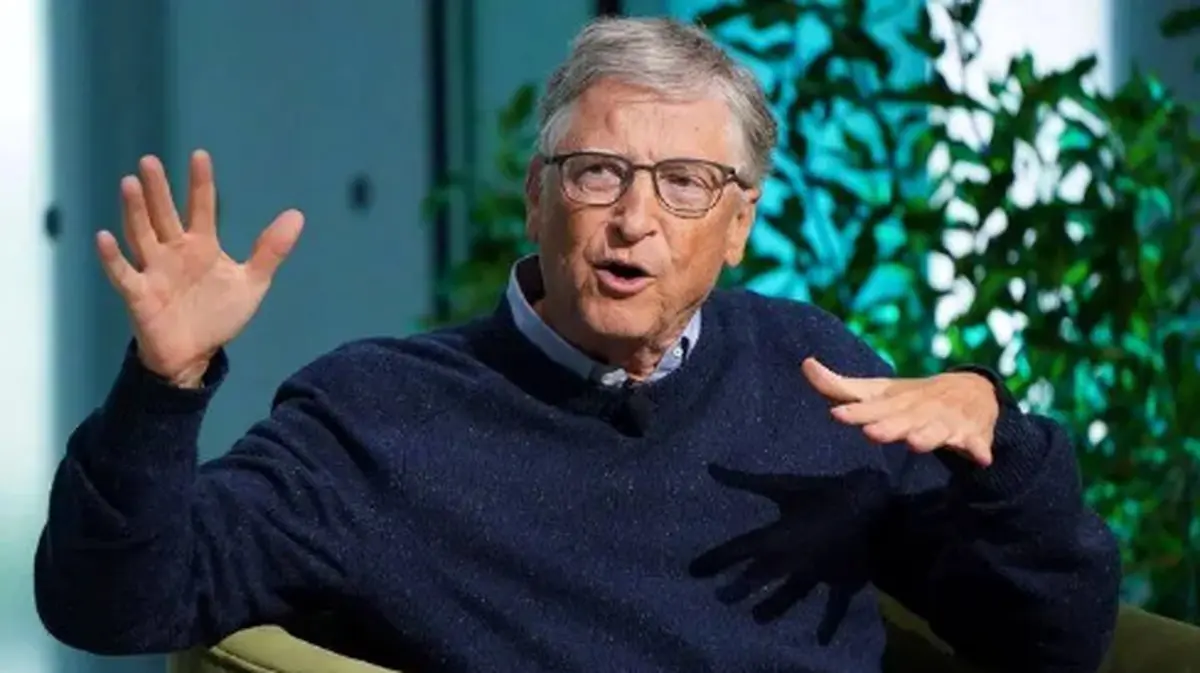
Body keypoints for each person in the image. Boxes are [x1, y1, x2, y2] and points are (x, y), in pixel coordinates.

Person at [36, 16, 1120, 673]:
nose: (634, 220)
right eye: (599, 173)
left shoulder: (813, 373)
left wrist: (1006, 448)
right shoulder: (379, 417)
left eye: (686, 183)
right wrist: (163, 386)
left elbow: (1050, 643)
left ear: (738, 224)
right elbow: (113, 604)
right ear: (538, 195)